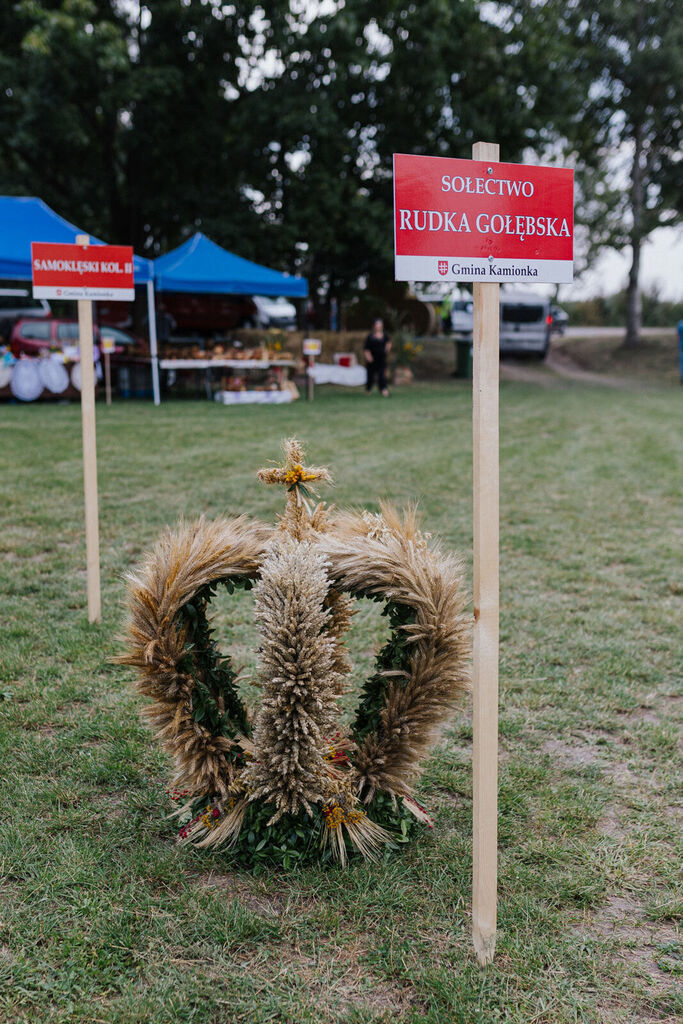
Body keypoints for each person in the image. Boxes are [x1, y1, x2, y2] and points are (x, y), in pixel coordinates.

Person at [364, 317, 391, 396]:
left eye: (380, 325)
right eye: (377, 325)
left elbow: (389, 343)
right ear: (374, 326)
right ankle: (368, 389)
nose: (378, 326)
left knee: (382, 375)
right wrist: (368, 357)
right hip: (372, 359)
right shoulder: (370, 337)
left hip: (381, 358)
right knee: (370, 375)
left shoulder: (385, 336)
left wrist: (386, 350)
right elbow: (366, 348)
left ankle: (383, 389)